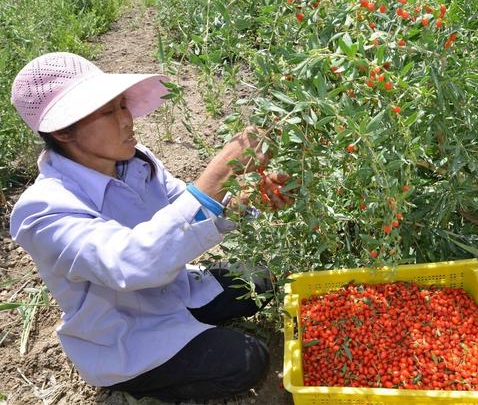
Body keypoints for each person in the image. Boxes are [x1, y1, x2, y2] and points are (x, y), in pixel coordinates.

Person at [8, 52, 291, 402]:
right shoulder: (43, 211)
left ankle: (193, 324)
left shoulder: (135, 161)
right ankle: (129, 386)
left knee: (261, 279)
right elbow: (133, 264)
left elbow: (184, 212)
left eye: (122, 106)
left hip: (175, 289)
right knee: (247, 359)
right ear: (63, 131)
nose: (127, 120)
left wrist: (245, 201)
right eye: (109, 113)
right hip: (127, 333)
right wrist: (219, 173)